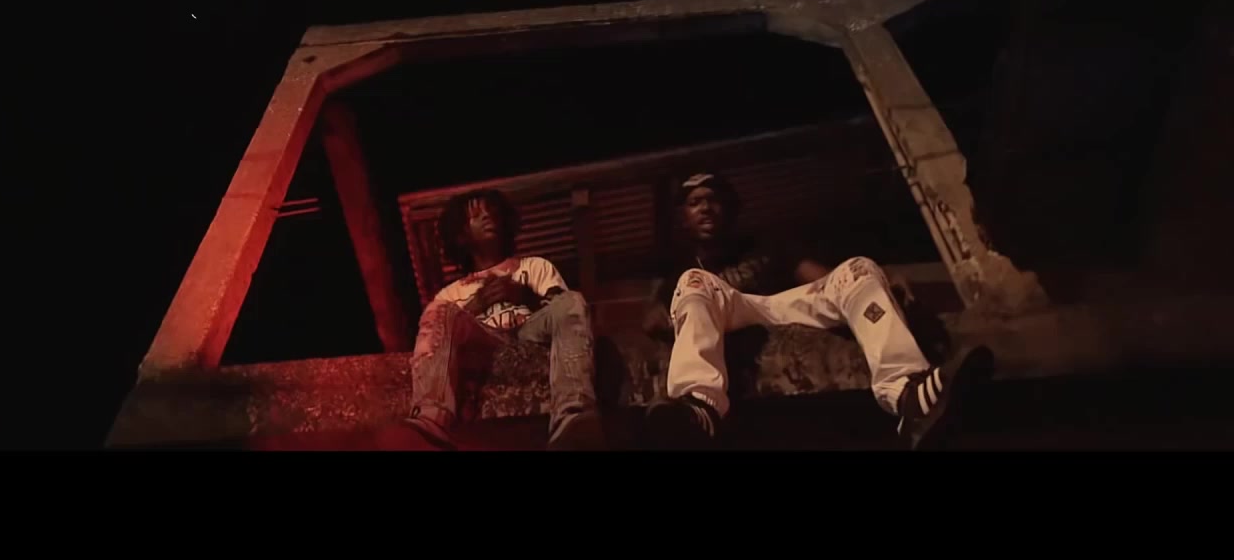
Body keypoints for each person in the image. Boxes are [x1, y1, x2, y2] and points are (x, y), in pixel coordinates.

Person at [645, 172, 995, 450]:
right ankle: (700, 408)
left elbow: (826, 280)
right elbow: (652, 319)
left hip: (785, 304)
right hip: (730, 312)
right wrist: (669, 318)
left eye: (713, 200)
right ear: (683, 219)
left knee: (858, 268)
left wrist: (879, 280)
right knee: (693, 281)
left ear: (729, 208)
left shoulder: (765, 245)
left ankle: (908, 394)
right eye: (695, 202)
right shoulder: (679, 272)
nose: (706, 208)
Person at [377, 189, 605, 451]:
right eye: (476, 215)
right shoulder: (450, 293)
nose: (487, 217)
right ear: (461, 235)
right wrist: (477, 305)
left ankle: (573, 416)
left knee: (572, 299)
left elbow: (564, 311)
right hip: (484, 344)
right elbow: (443, 332)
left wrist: (526, 296)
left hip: (529, 333)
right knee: (438, 311)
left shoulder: (535, 267)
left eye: (492, 212)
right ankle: (431, 420)